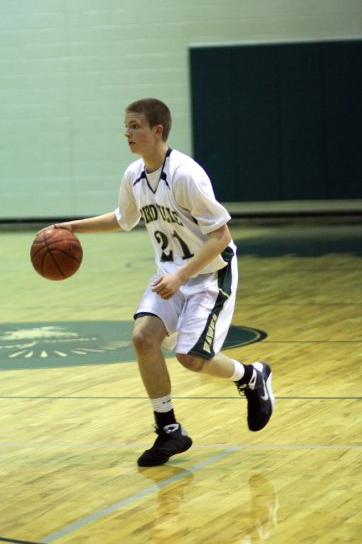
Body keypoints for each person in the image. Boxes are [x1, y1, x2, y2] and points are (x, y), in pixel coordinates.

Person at [55, 98, 274, 466]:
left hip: (208, 275)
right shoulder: (134, 175)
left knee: (190, 358)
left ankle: (251, 377)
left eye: (135, 125)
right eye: (125, 125)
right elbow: (123, 218)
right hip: (168, 276)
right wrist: (71, 227)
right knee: (143, 338)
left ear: (157, 130)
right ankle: (169, 431)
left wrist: (181, 275)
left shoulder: (186, 175)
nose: (127, 132)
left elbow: (219, 237)